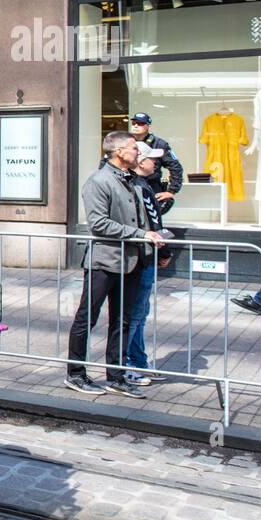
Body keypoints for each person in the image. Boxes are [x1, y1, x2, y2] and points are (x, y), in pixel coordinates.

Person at [66, 131, 164, 398]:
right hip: (104, 262)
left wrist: (153, 235)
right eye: (134, 148)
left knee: (122, 320)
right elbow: (98, 224)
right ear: (119, 152)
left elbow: (140, 219)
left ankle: (116, 377)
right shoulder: (99, 181)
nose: (137, 152)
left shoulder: (132, 181)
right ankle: (75, 374)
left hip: (131, 262)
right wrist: (141, 234)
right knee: (87, 319)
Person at [123, 142, 175, 385]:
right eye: (151, 159)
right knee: (135, 312)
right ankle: (128, 364)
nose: (155, 163)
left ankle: (138, 360)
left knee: (140, 312)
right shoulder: (137, 187)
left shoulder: (144, 185)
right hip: (142, 256)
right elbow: (152, 224)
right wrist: (165, 250)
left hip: (147, 254)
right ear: (140, 161)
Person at [100, 113, 184, 215]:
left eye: (140, 124)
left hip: (151, 185)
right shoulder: (122, 142)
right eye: (134, 123)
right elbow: (106, 164)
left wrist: (171, 191)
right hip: (127, 184)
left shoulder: (159, 144)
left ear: (148, 126)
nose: (136, 126)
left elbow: (175, 167)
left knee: (159, 209)